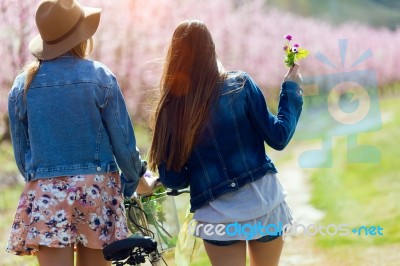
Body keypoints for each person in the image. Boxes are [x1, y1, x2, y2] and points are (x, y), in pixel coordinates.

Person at [6, 1, 157, 265]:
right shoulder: (100, 77)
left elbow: (22, 156)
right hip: (97, 191)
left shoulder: (23, 85)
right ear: (82, 36)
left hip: (48, 193)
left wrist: (43, 177)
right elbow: (123, 143)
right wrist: (134, 181)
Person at [148, 20, 303, 266]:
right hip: (263, 203)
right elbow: (279, 136)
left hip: (217, 217)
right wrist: (291, 89)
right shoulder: (240, 85)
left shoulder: (170, 108)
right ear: (211, 49)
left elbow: (174, 179)